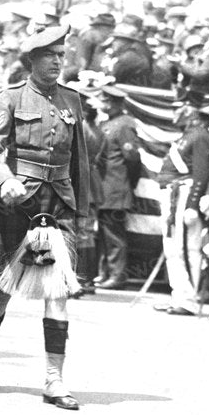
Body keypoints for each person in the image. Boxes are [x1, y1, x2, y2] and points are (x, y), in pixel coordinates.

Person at [0, 25, 94, 409]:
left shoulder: (72, 101)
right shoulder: (11, 98)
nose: (56, 62)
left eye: (61, 55)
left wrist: (82, 213)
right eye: (48, 56)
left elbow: (79, 160)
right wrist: (4, 182)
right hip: (18, 202)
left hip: (59, 203)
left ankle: (54, 379)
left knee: (59, 290)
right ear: (32, 61)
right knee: (2, 289)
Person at [154, 103, 209, 315]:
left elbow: (201, 173)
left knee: (186, 248)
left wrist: (192, 205)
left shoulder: (199, 137)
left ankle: (188, 299)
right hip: (173, 194)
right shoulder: (187, 135)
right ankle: (178, 296)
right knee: (172, 249)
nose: (175, 112)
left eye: (180, 107)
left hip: (185, 195)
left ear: (192, 111)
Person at [92, 83, 141, 288]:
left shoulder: (124, 125)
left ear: (113, 103)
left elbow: (133, 159)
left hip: (116, 189)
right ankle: (105, 272)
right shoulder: (108, 124)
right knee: (103, 234)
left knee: (114, 235)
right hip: (103, 190)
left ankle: (117, 275)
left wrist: (129, 184)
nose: (102, 103)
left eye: (105, 100)